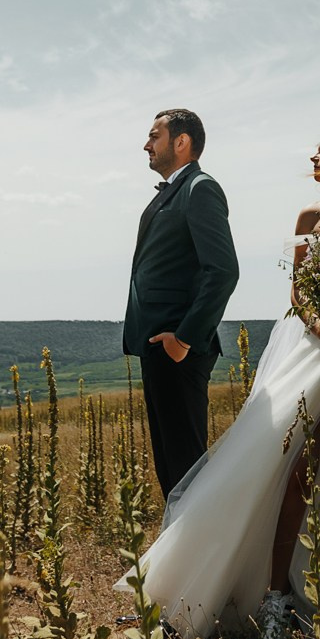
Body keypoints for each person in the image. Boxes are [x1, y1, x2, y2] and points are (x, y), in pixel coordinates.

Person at [120, 123, 320, 639]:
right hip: (316, 348)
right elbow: (298, 292)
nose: (313, 154)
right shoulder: (313, 216)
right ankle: (275, 596)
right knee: (295, 463)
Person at [124, 108, 241, 497]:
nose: (146, 145)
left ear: (181, 141)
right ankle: (185, 549)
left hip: (177, 347)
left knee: (185, 466)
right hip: (159, 346)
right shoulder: (176, 190)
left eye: (154, 136)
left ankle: (205, 552)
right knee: (171, 468)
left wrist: (184, 340)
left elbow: (222, 271)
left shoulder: (200, 187)